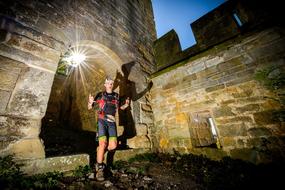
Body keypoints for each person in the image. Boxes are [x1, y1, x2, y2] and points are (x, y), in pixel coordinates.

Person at [88, 77, 129, 181]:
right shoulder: (100, 95)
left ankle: (100, 151)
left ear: (112, 85)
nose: (110, 85)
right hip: (102, 120)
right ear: (105, 84)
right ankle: (100, 168)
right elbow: (90, 107)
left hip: (112, 122)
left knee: (113, 145)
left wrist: (126, 105)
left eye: (111, 83)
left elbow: (120, 108)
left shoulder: (116, 96)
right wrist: (89, 102)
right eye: (108, 83)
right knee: (103, 143)